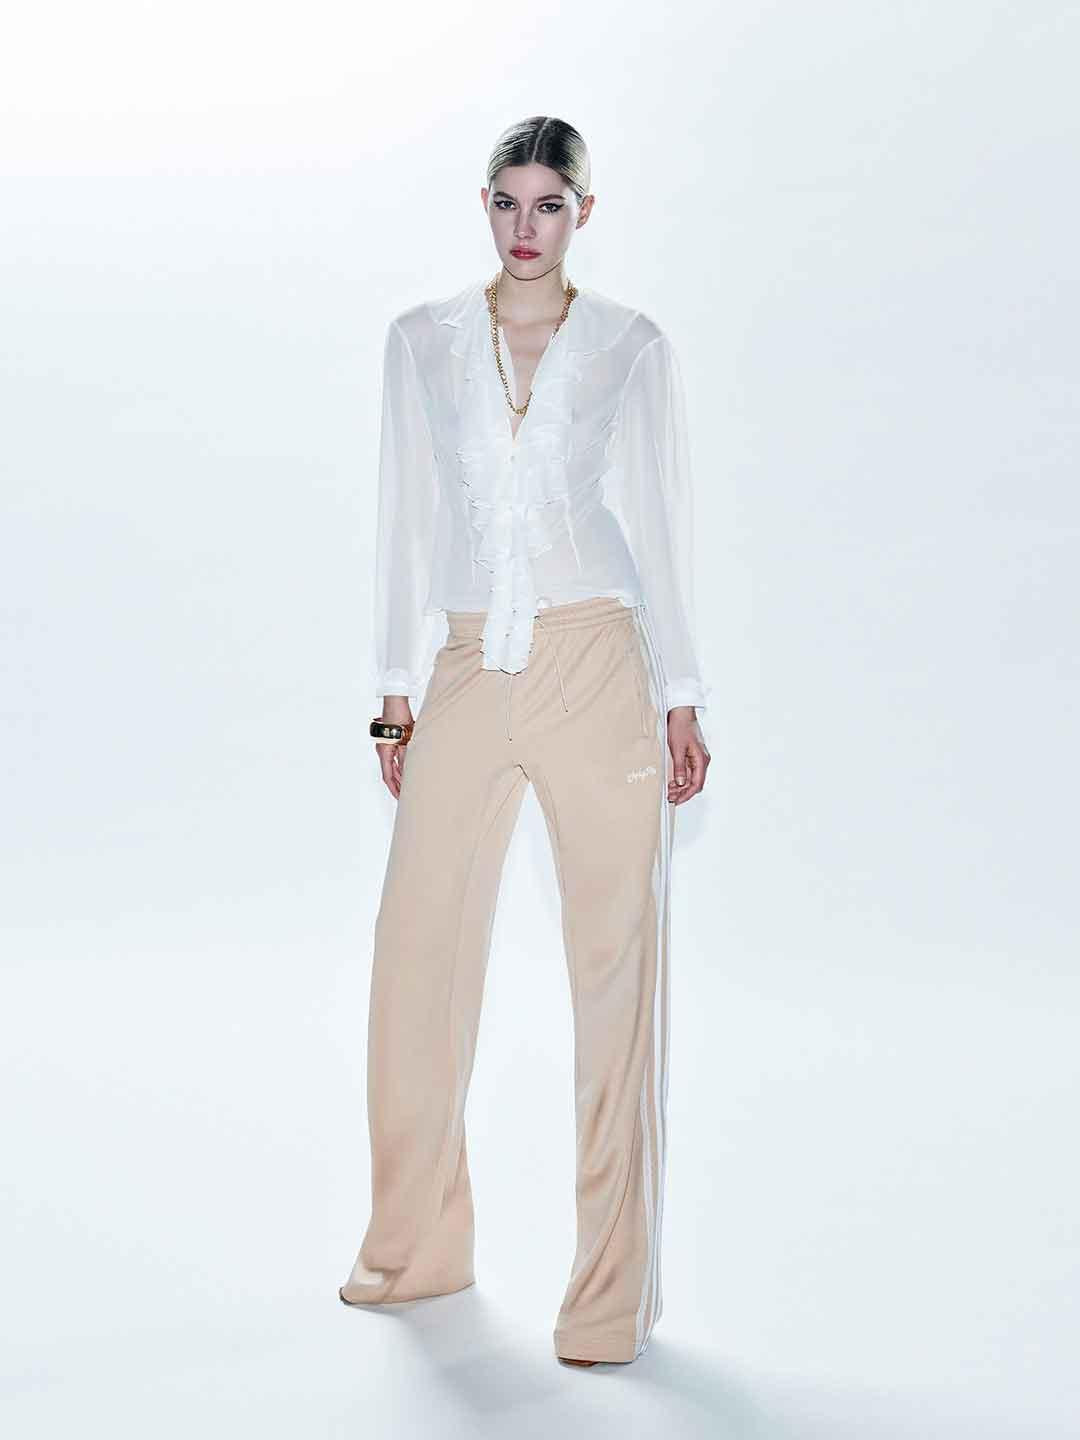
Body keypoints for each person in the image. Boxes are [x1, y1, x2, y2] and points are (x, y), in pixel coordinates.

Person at [339, 115, 711, 1368]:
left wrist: (683, 693)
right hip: (464, 664)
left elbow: (660, 522)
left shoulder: (630, 346)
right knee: (415, 952)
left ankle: (608, 1299)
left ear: (584, 213)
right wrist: (394, 689)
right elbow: (404, 515)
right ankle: (415, 1247)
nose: (525, 226)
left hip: (598, 659)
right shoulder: (423, 340)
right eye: (507, 201)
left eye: (551, 203)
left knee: (615, 975)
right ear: (485, 204)